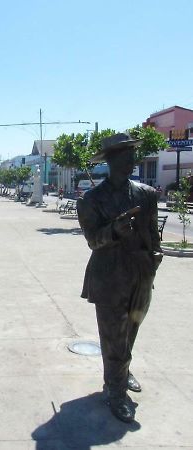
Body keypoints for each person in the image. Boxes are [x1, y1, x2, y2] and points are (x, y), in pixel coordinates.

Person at [77, 133, 163, 423]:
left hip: (140, 273)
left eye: (132, 155)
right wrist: (113, 231)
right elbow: (92, 239)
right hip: (109, 275)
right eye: (125, 155)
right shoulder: (91, 199)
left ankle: (122, 372)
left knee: (131, 330)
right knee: (113, 336)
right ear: (111, 161)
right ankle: (115, 391)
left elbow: (153, 233)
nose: (132, 160)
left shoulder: (146, 194)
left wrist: (156, 255)